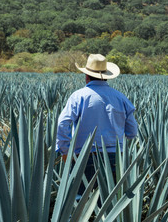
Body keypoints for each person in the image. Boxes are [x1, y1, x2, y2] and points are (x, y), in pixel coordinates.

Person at [55, 54, 138, 196]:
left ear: (87, 76)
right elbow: (132, 132)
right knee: (109, 202)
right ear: (106, 76)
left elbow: (63, 123)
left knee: (77, 202)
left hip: (83, 156)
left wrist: (65, 150)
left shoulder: (79, 96)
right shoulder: (121, 98)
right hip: (114, 157)